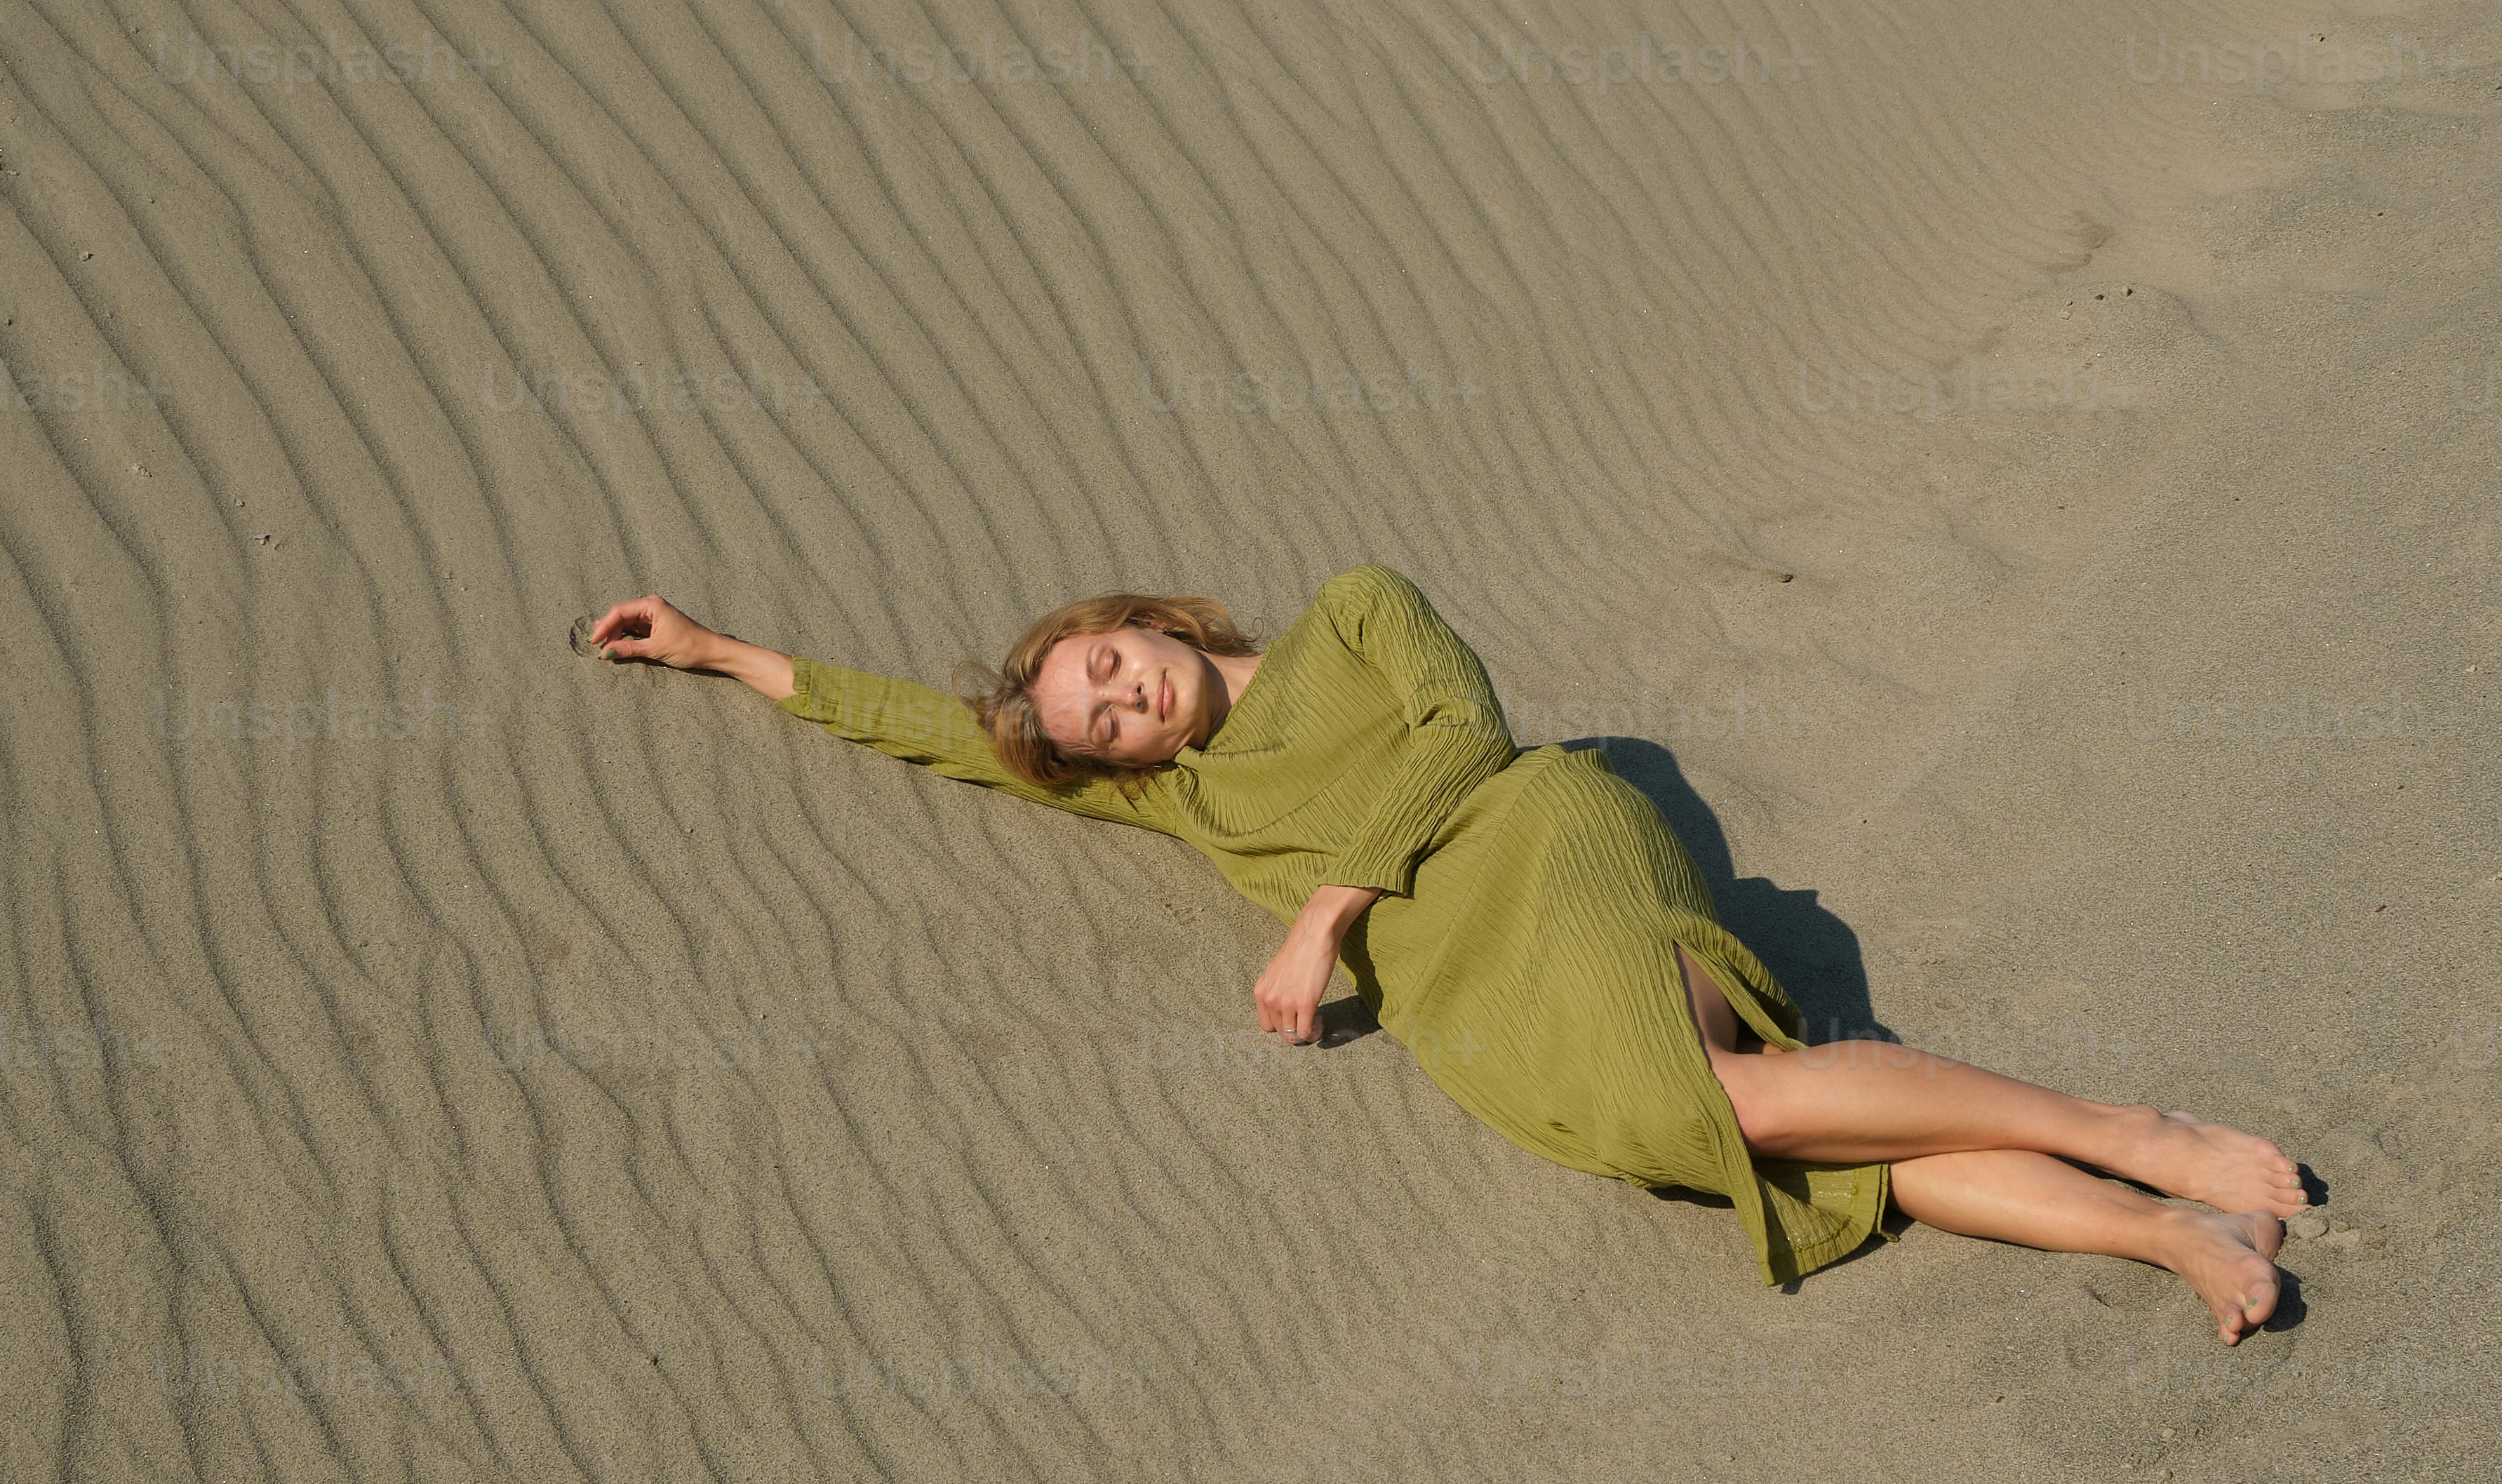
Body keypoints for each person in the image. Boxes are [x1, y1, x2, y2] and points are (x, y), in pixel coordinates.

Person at [584, 562, 2296, 1334]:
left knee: (1747, 1103)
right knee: (1738, 1128)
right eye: (1096, 730)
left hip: (1539, 845)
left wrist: (1327, 913)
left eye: (1108, 668)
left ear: (1145, 622)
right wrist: (727, 653)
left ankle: (2134, 1135)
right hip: (1476, 996)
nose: (1116, 708)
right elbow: (943, 731)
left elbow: (1464, 736)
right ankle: (2167, 1238)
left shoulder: (1353, 611)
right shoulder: (1174, 798)